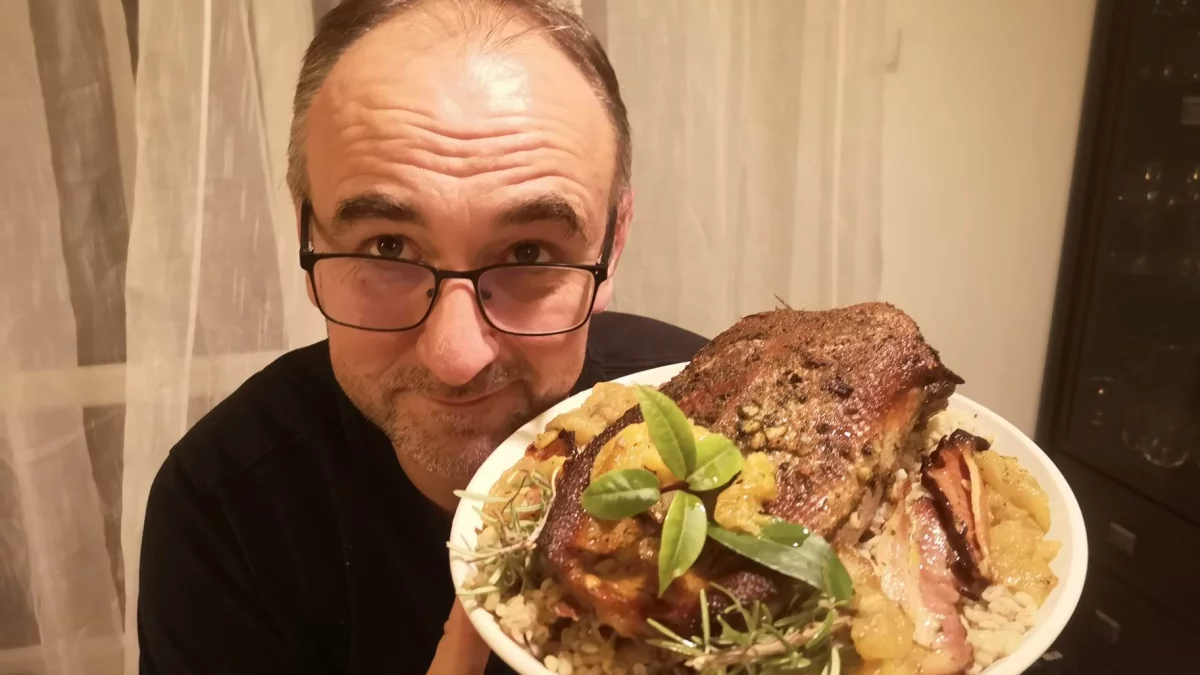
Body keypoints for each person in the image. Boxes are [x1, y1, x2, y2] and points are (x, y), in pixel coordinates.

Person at [135, 0, 709, 673]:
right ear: (307, 237)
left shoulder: (706, 415)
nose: (455, 357)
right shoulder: (226, 511)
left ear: (613, 245)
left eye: (528, 253)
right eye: (387, 247)